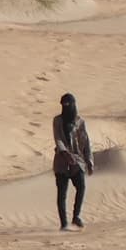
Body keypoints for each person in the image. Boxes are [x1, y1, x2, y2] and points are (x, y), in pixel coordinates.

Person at [52, 92, 93, 231]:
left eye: (68, 104)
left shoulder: (80, 121)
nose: (66, 106)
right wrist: (64, 152)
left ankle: (76, 217)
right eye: (63, 104)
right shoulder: (57, 120)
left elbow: (86, 142)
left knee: (81, 187)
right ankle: (64, 223)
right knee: (62, 193)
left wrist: (89, 161)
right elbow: (57, 138)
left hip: (77, 161)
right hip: (61, 161)